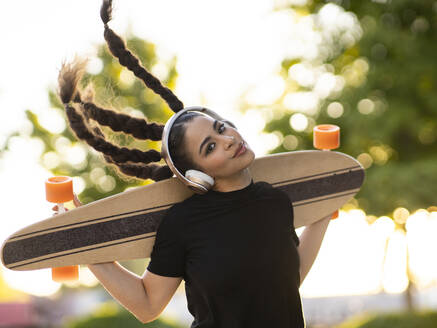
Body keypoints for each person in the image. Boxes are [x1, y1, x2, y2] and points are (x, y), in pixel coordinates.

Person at [53, 1, 332, 326]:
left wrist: (325, 209)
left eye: (221, 127)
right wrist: (84, 248)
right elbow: (147, 304)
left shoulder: (275, 201)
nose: (228, 139)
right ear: (196, 175)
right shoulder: (184, 223)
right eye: (210, 146)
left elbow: (288, 280)